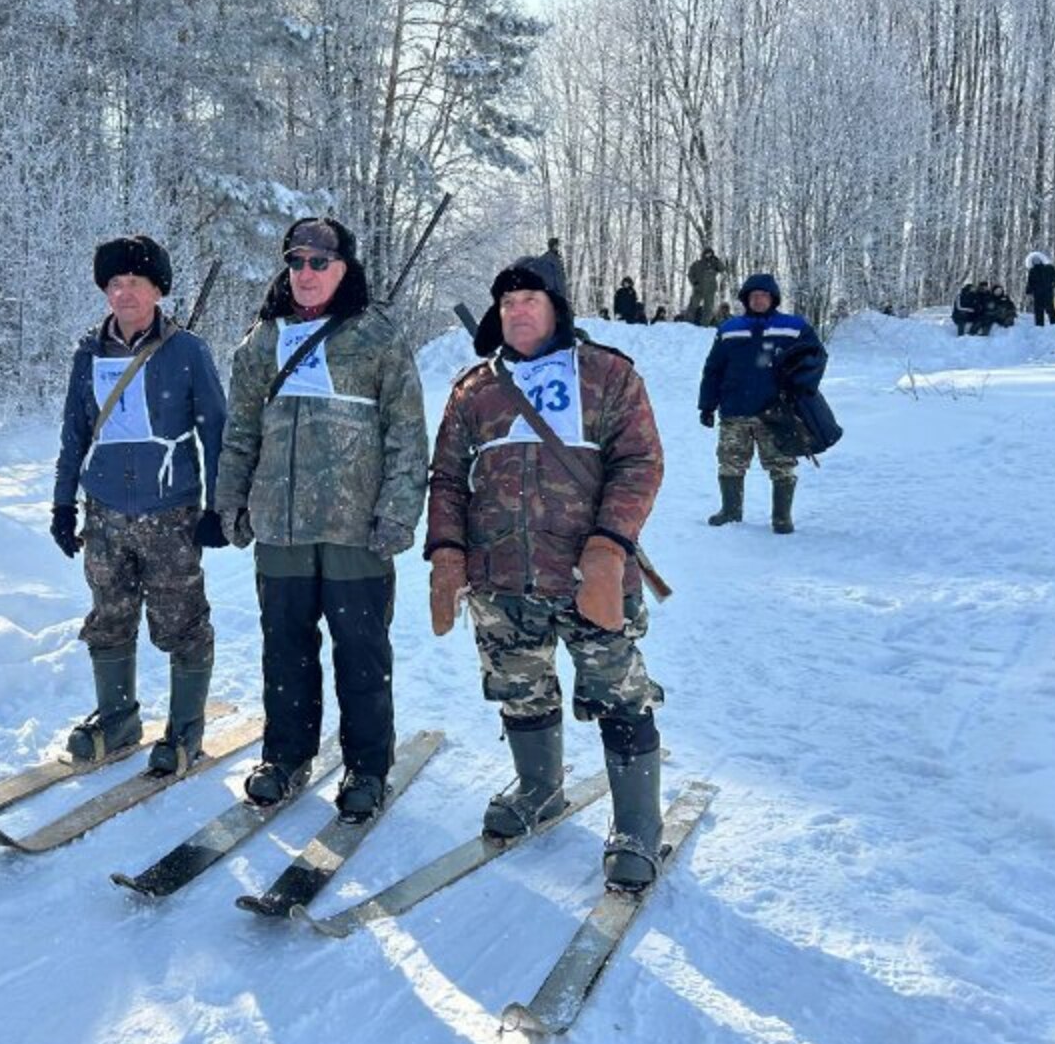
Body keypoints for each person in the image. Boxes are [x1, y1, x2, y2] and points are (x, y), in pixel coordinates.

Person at [426, 253, 666, 891]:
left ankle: (637, 825)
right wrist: (447, 554)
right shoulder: (474, 391)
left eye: (530, 299)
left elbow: (640, 462)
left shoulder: (607, 375)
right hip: (500, 580)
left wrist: (610, 546)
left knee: (618, 694)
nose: (517, 311)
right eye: (506, 303)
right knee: (519, 688)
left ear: (558, 307)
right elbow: (447, 479)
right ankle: (538, 787)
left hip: (592, 575)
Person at [215, 217, 429, 822]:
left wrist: (397, 511)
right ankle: (284, 757)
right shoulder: (263, 340)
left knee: (360, 651)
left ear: (345, 267)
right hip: (280, 529)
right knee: (284, 648)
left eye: (320, 262)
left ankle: (366, 767)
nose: (306, 274)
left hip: (354, 529)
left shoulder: (377, 336)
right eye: (297, 262)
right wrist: (230, 499)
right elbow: (241, 432)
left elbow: (407, 433)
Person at [52, 235, 229, 776]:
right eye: (115, 284)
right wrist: (63, 505)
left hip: (170, 512)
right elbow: (74, 433)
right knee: (109, 617)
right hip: (103, 510)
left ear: (158, 290)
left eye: (136, 283)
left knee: (181, 621)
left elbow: (217, 431)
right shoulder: (89, 353)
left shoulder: (187, 352)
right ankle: (118, 718)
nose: (124, 293)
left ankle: (185, 729)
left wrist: (217, 507)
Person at [698, 272, 826, 534]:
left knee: (782, 463)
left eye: (764, 296)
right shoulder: (729, 329)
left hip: (776, 411)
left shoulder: (794, 327)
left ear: (773, 298)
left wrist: (802, 386)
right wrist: (707, 405)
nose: (758, 300)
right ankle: (730, 511)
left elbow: (816, 357)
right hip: (735, 410)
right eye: (754, 296)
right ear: (746, 299)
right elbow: (713, 369)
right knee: (730, 461)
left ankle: (782, 518)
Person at [685, 247, 725, 325]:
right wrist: (694, 283)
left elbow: (722, 269)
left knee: (708, 308)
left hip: (710, 290)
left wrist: (717, 260)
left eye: (710, 253)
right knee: (693, 306)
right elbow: (690, 274)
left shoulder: (714, 264)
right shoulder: (697, 264)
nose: (708, 255)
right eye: (707, 253)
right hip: (698, 289)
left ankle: (705, 325)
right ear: (703, 254)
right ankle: (688, 323)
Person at [1025, 251, 1055, 326]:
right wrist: (1054, 285)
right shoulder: (1050, 268)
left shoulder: (1032, 271)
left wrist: (1028, 291)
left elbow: (1030, 283)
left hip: (1038, 294)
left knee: (1039, 310)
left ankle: (1039, 326)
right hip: (1048, 292)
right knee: (1050, 308)